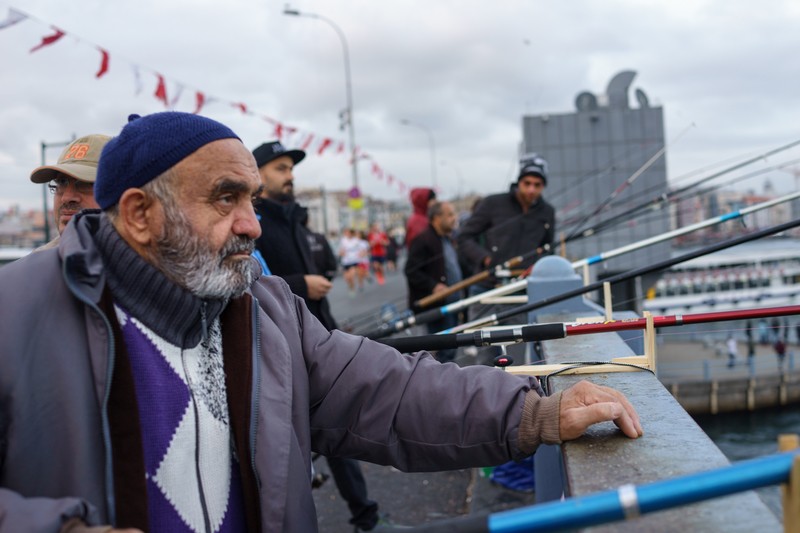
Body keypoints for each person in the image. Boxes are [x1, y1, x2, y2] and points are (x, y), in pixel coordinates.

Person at [0, 111, 642, 533]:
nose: (251, 224)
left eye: (251, 198)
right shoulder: (16, 310)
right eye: (226, 198)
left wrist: (534, 413)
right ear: (139, 214)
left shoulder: (263, 312)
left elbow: (389, 391)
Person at [251, 140, 383, 531]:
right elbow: (250, 284)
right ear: (257, 175)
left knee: (334, 427)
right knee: (293, 445)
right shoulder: (253, 223)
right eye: (279, 168)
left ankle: (365, 515)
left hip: (319, 339)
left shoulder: (298, 221)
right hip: (278, 349)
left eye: (291, 168)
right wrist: (301, 284)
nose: (289, 175)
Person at [457, 156, 555, 365]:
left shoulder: (548, 212)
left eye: (537, 185)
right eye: (527, 183)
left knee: (515, 358)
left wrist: (537, 267)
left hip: (520, 293)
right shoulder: (493, 203)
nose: (531, 189)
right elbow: (464, 237)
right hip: (486, 290)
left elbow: (548, 249)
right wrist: (485, 259)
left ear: (543, 186)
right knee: (484, 357)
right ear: (518, 182)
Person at [404, 201, 463, 363]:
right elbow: (411, 270)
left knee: (450, 349)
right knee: (438, 352)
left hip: (451, 304)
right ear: (437, 218)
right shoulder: (423, 240)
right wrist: (433, 286)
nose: (454, 218)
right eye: (450, 214)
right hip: (436, 308)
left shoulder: (447, 239)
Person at [29, 134, 111, 248]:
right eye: (61, 182)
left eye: (86, 183)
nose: (66, 198)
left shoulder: (140, 262)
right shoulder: (36, 263)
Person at [338, 227, 365, 296]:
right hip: (346, 261)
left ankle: (354, 288)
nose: (346, 234)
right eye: (345, 232)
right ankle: (351, 287)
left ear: (351, 233)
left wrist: (361, 254)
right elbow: (341, 250)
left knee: (352, 276)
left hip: (354, 261)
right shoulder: (343, 240)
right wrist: (341, 253)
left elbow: (362, 249)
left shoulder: (356, 240)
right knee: (347, 278)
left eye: (348, 232)